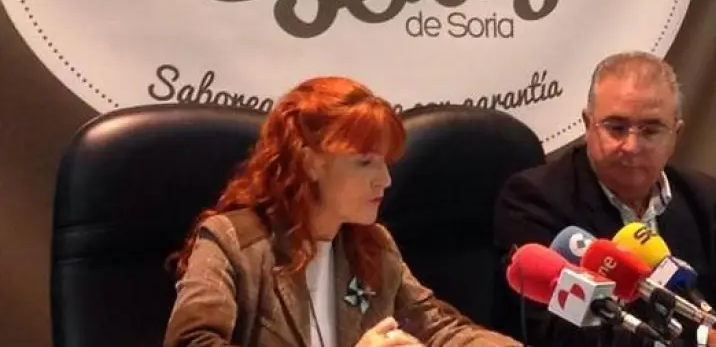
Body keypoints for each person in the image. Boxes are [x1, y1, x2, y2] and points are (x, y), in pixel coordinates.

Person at [164, 76, 521, 347]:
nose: (385, 180)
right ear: (310, 162)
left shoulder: (371, 244)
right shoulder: (231, 241)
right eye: (365, 162)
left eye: (385, 162)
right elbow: (191, 342)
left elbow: (441, 330)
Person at [493, 51, 716, 347]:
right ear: (588, 125)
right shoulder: (535, 198)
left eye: (650, 130)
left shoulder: (702, 194)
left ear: (676, 135)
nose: (631, 145)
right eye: (616, 128)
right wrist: (705, 341)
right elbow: (554, 331)